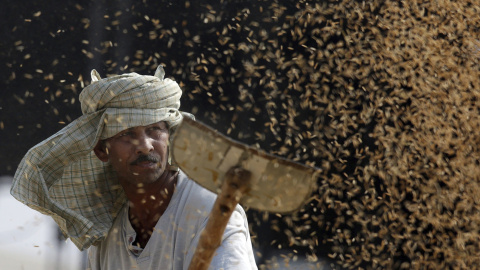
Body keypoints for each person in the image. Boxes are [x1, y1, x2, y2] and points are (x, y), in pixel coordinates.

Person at [11, 66, 258, 269]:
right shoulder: (108, 232)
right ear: (101, 150)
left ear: (170, 139)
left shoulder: (209, 211)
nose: (145, 146)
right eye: (127, 134)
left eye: (154, 130)